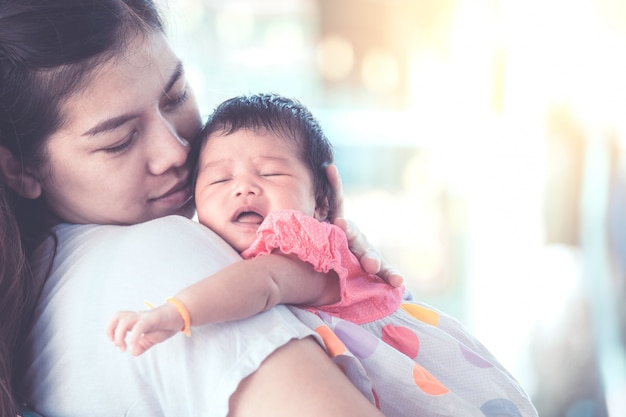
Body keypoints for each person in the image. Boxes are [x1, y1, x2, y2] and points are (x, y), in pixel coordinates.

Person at [0, 1, 400, 416]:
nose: (175, 151)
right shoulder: (164, 258)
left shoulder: (36, 286)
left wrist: (320, 247)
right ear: (19, 168)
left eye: (176, 96)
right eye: (119, 140)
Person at [108, 93, 539, 417]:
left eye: (271, 173)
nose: (243, 187)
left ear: (322, 199)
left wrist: (174, 313)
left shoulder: (302, 246)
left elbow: (265, 283)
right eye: (219, 180)